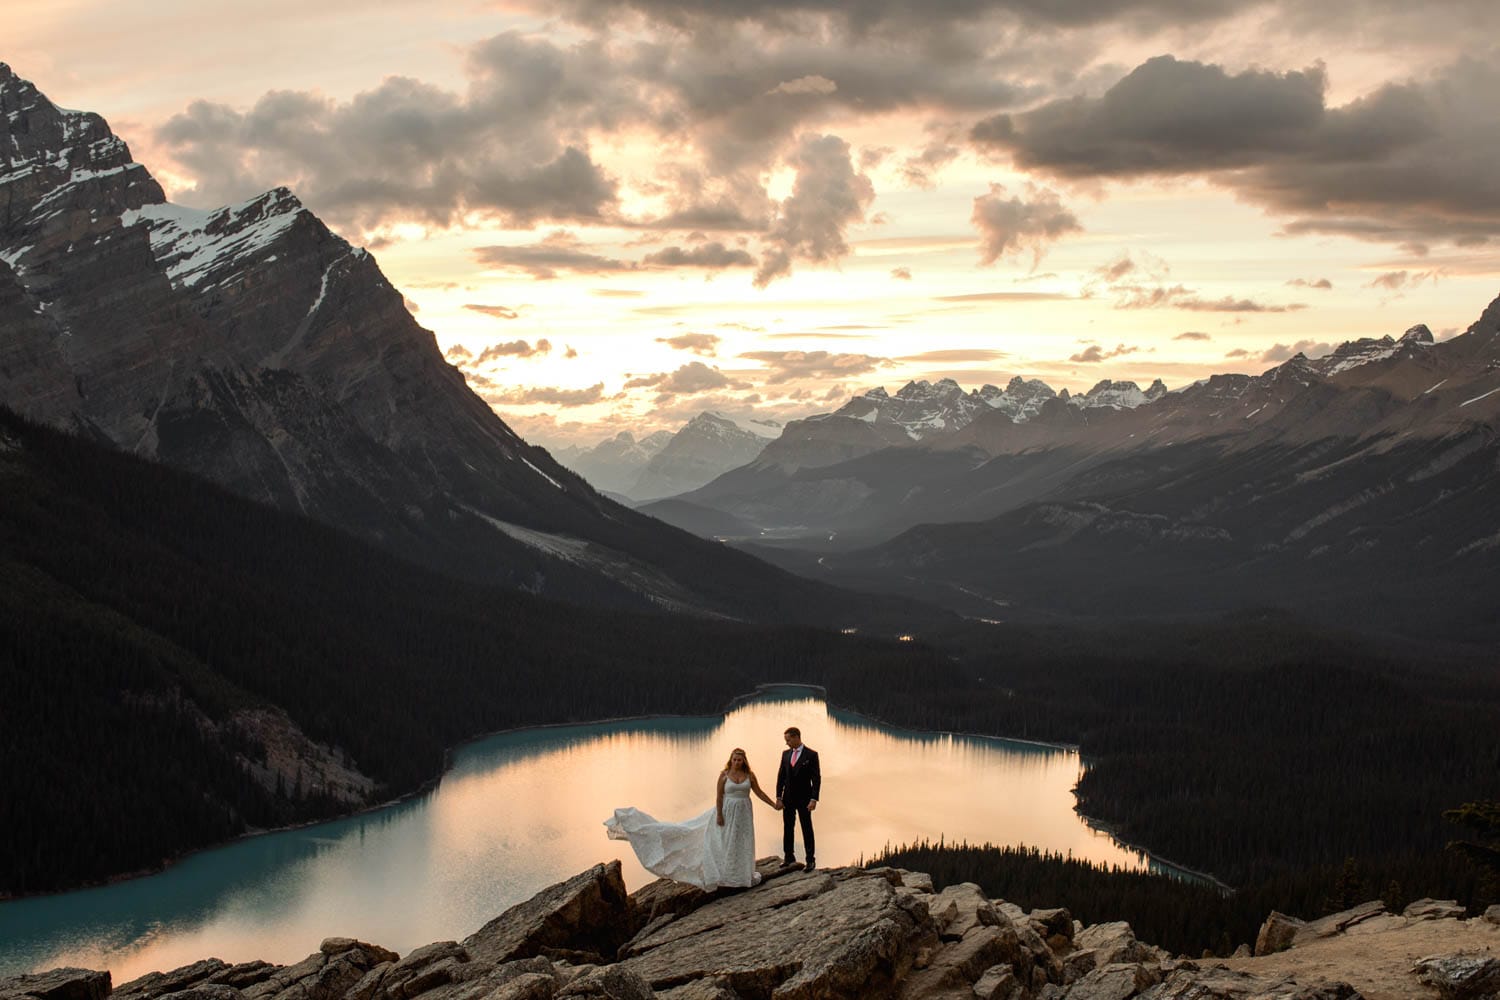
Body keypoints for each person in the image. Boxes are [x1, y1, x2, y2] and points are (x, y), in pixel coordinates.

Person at [605, 748, 779, 890]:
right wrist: (719, 815)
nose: (736, 762)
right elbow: (719, 797)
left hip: (744, 814)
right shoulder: (724, 775)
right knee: (722, 842)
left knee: (741, 842)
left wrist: (773, 804)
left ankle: (741, 875)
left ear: (744, 761)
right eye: (734, 759)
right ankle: (726, 875)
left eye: (739, 760)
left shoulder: (750, 776)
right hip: (726, 812)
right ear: (730, 760)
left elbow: (759, 792)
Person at [775, 726, 820, 871]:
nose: (786, 743)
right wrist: (778, 797)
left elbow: (816, 779)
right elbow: (781, 776)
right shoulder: (785, 754)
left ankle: (810, 860)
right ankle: (788, 857)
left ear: (796, 737)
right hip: (788, 798)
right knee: (788, 827)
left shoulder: (811, 755)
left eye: (788, 740)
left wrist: (813, 799)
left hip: (804, 799)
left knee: (807, 828)